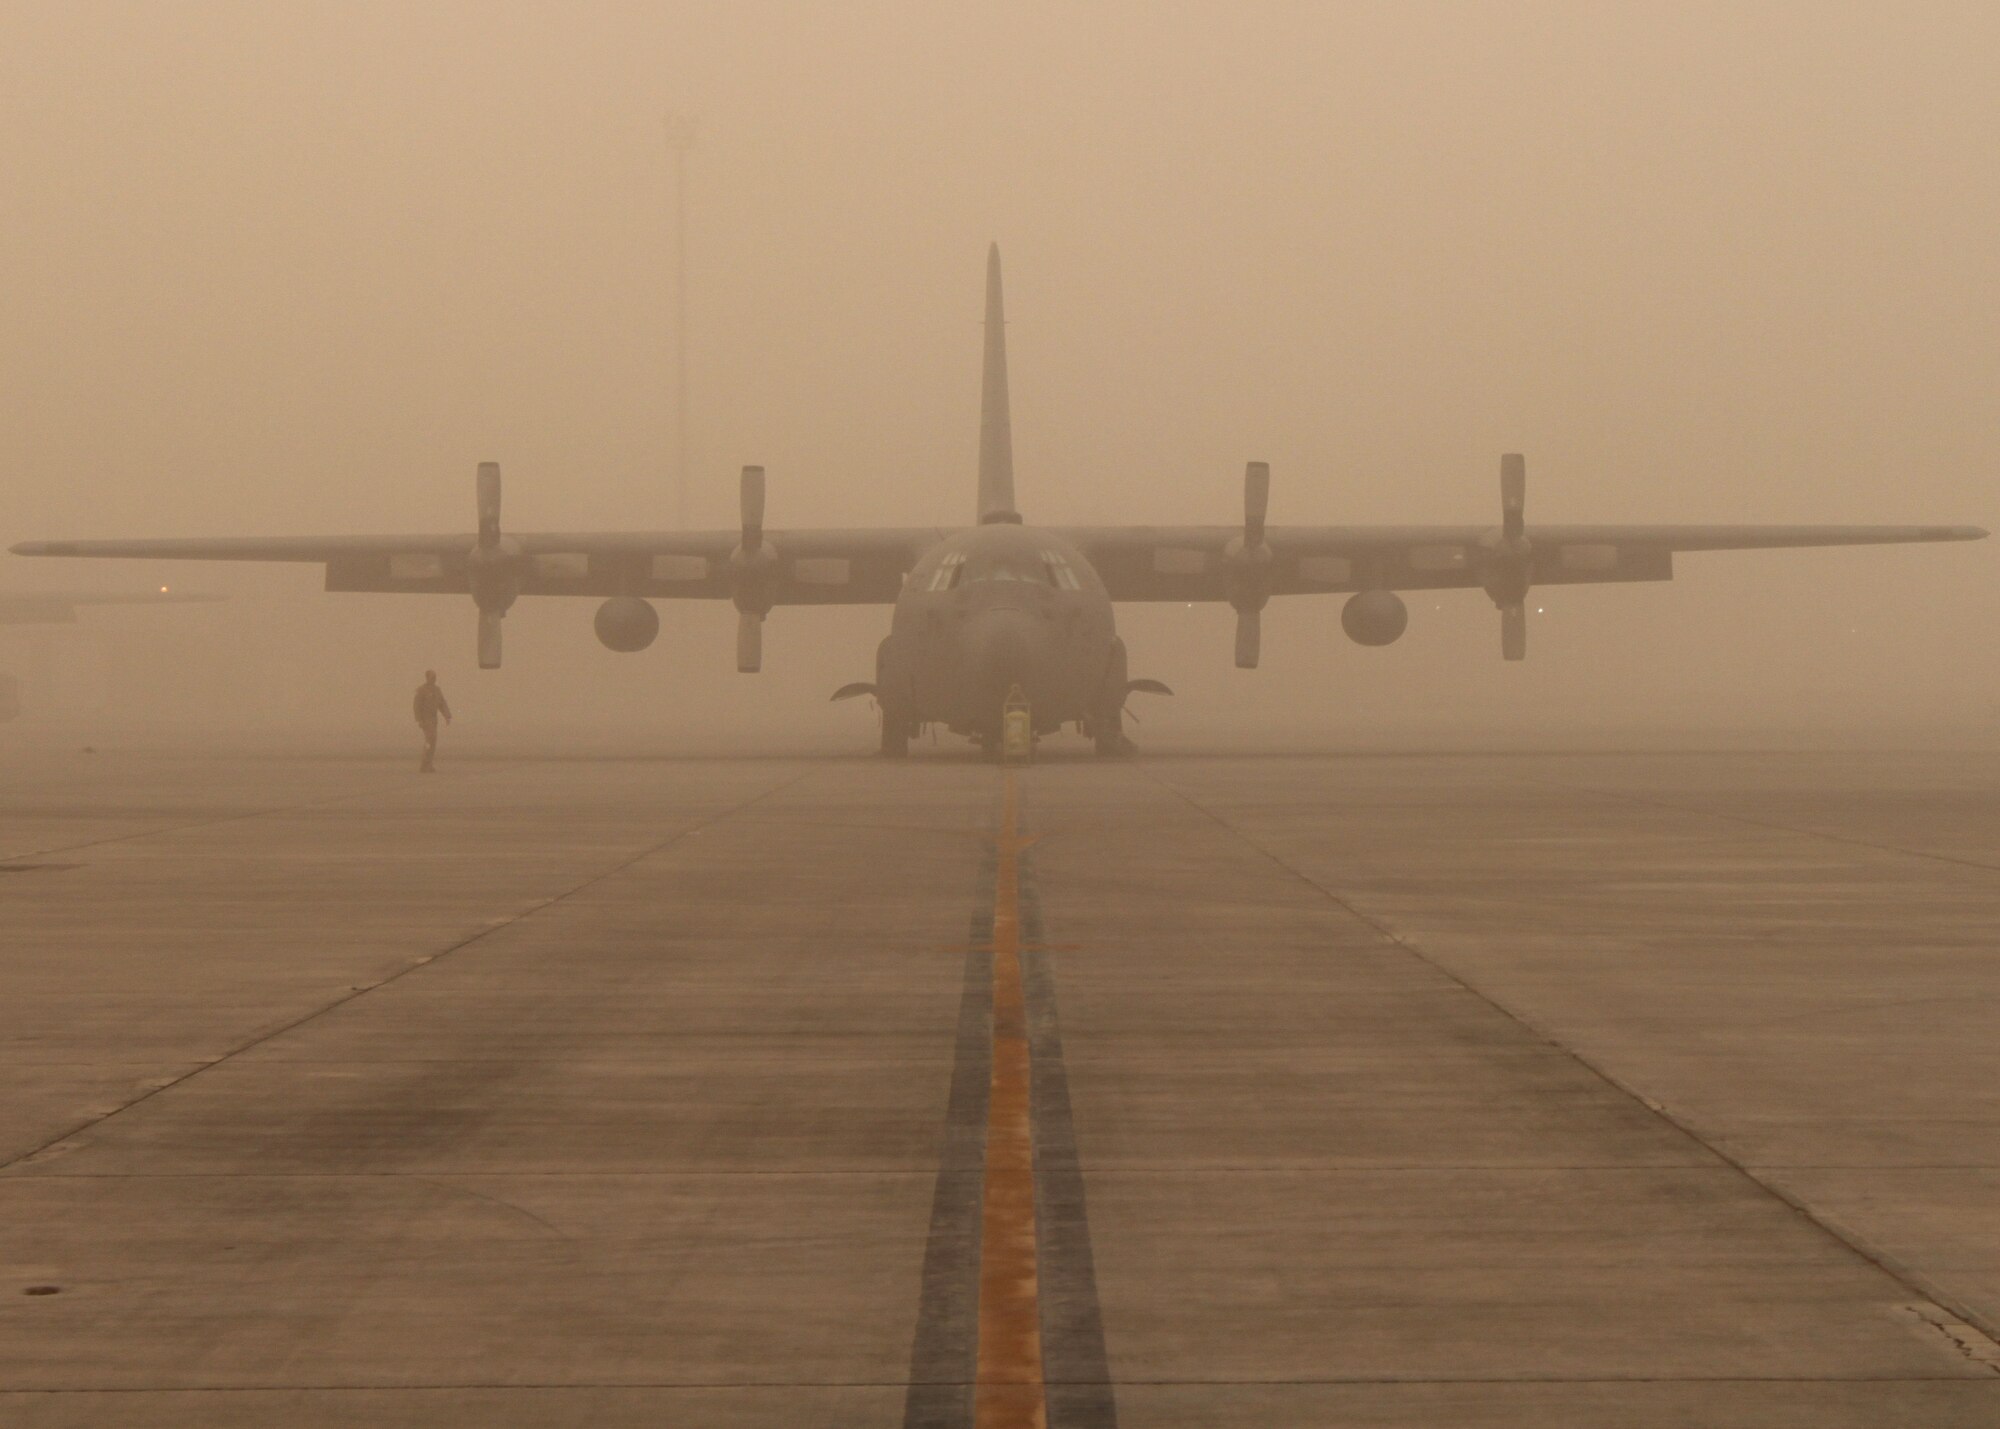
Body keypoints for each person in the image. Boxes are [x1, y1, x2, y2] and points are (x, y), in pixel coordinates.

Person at [413, 670, 452, 772]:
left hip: (434, 719)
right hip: (425, 719)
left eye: (435, 677)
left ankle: (428, 764)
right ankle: (424, 764)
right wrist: (419, 720)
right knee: (429, 740)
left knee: (432, 741)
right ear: (427, 677)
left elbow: (442, 703)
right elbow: (417, 706)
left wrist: (447, 716)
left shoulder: (437, 690)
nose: (434, 679)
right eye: (432, 677)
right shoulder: (421, 690)